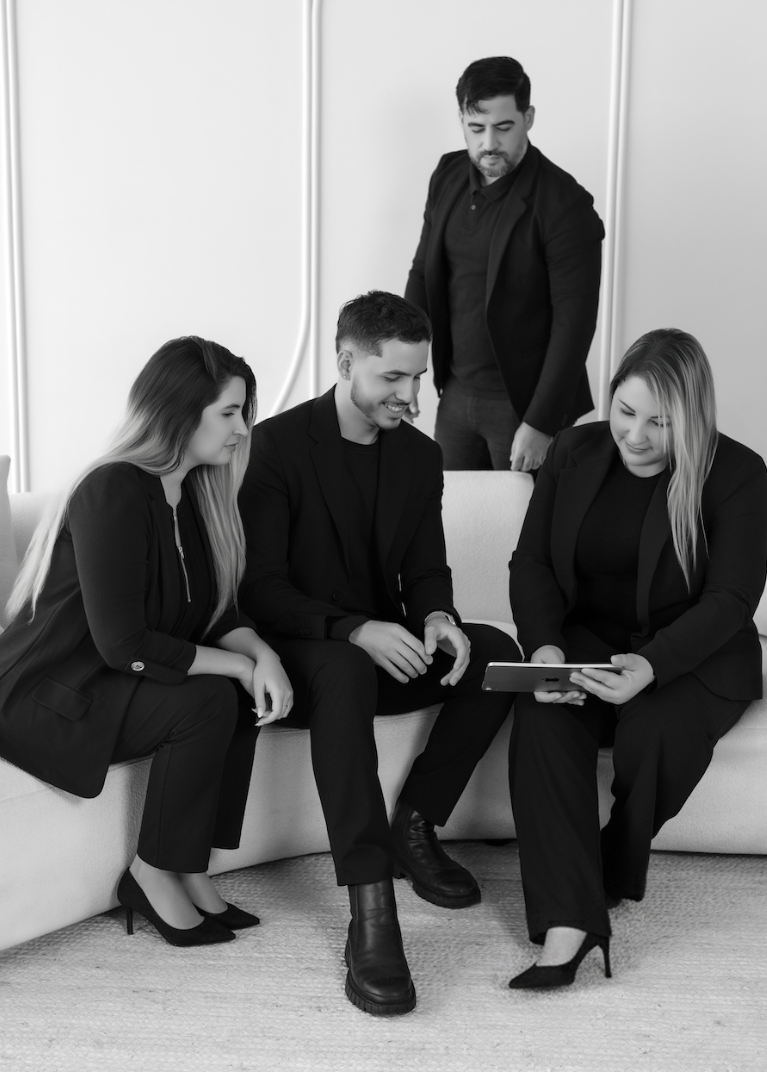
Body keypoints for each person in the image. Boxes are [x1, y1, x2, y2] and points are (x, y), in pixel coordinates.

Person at [239, 291, 519, 1015]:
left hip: (383, 649)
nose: (411, 395)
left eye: (419, 378)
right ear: (346, 364)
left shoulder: (421, 457)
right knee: (342, 668)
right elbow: (261, 587)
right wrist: (353, 630)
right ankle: (371, 910)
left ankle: (416, 823)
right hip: (310, 652)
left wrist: (437, 617)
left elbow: (427, 565)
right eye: (393, 378)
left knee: (494, 650)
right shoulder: (274, 445)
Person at [0, 337, 292, 947]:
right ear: (180, 411)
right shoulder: (113, 489)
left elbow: (216, 611)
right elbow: (122, 642)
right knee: (210, 697)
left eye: (244, 414)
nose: (241, 430)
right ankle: (151, 872)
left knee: (233, 694)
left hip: (111, 680)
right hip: (48, 692)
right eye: (228, 413)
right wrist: (235, 665)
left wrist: (264, 657)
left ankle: (188, 863)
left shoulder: (198, 494)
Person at [507, 328, 767, 988]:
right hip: (587, 638)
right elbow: (532, 562)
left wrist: (650, 666)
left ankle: (610, 870)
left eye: (660, 422)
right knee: (542, 719)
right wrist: (545, 650)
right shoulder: (573, 449)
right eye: (625, 412)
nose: (636, 436)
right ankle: (571, 923)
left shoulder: (738, 474)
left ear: (693, 417)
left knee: (655, 728)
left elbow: (732, 598)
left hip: (693, 650)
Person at [404, 55, 604, 473]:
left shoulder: (565, 204)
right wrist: (403, 370)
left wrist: (540, 422)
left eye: (504, 127)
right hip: (455, 395)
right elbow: (423, 273)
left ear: (528, 118)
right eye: (476, 128)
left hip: (524, 406)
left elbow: (576, 322)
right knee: (451, 522)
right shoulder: (447, 173)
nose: (488, 143)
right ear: (461, 119)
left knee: (524, 531)